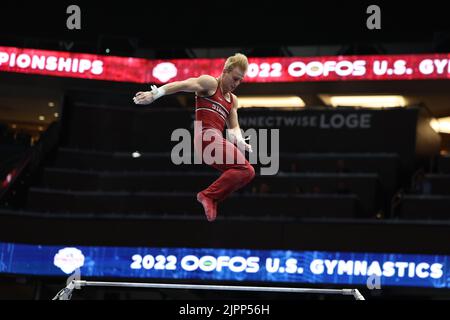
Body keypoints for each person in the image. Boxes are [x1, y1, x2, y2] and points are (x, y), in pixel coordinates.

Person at [133, 53, 255, 222]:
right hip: (205, 136)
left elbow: (233, 126)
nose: (236, 83)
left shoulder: (232, 100)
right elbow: (182, 85)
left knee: (247, 172)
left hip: (214, 143)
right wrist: (155, 94)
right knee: (243, 168)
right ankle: (208, 196)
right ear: (225, 71)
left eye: (240, 80)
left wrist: (240, 140)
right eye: (234, 78)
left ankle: (211, 197)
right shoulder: (210, 83)